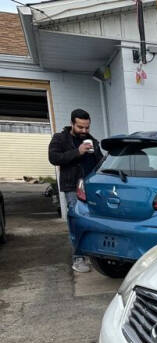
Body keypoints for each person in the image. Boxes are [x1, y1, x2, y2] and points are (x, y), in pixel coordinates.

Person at [48, 108, 101, 273]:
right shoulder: (60, 138)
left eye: (87, 127)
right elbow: (54, 158)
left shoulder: (92, 140)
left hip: (90, 187)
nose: (84, 131)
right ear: (72, 124)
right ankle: (78, 258)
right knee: (77, 222)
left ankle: (94, 254)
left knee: (94, 221)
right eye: (80, 127)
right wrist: (77, 152)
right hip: (72, 187)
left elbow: (100, 162)